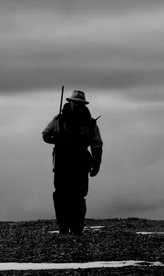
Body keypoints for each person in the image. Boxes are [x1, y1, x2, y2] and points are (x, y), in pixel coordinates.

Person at [42, 90, 103, 235]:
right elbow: (45, 134)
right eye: (75, 102)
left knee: (78, 196)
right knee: (61, 195)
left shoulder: (89, 123)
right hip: (62, 163)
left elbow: (97, 145)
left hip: (80, 163)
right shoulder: (59, 119)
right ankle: (63, 226)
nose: (77, 105)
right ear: (70, 102)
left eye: (80, 103)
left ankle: (76, 228)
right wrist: (53, 138)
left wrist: (97, 163)